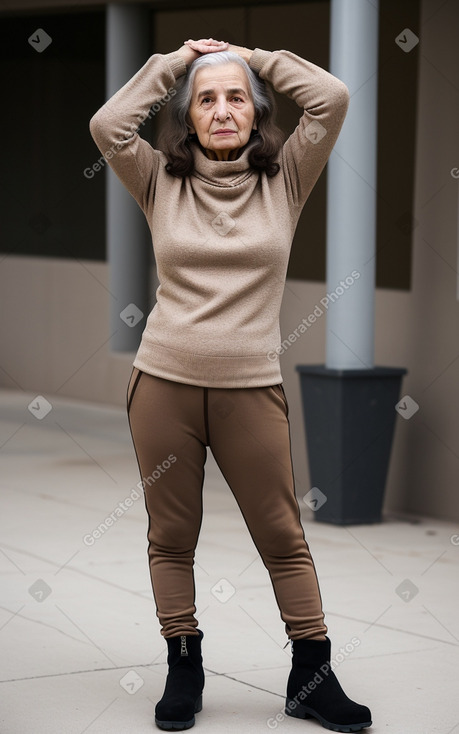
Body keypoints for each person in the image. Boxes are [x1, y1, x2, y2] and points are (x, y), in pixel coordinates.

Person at [90, 36, 372, 732]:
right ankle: (183, 666)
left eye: (235, 97)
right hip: (164, 384)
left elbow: (331, 98)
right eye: (205, 100)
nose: (220, 110)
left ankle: (311, 672)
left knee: (281, 533)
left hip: (250, 387)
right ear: (187, 117)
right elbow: (107, 126)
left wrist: (250, 55)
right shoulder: (158, 178)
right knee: (171, 534)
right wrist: (175, 65)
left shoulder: (288, 176)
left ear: (256, 112)